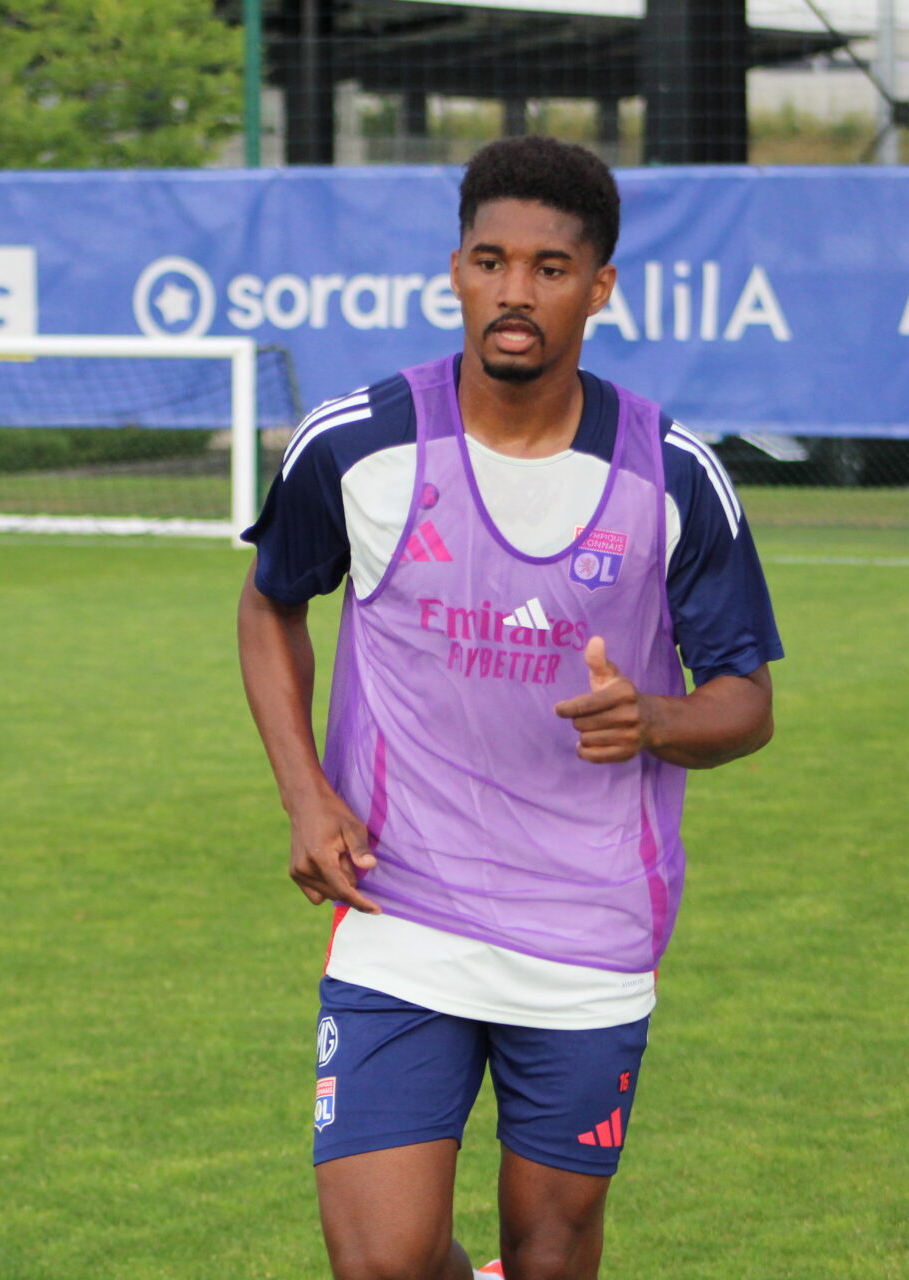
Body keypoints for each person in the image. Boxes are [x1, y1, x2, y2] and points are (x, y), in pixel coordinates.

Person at [236, 136, 783, 1280]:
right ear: (456, 271)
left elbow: (746, 701)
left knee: (548, 1255)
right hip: (403, 906)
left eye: (548, 266)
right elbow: (270, 603)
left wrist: (656, 718)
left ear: (600, 286)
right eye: (491, 261)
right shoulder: (359, 446)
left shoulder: (675, 474)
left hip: (588, 927)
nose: (516, 292)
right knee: (383, 1261)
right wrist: (306, 792)